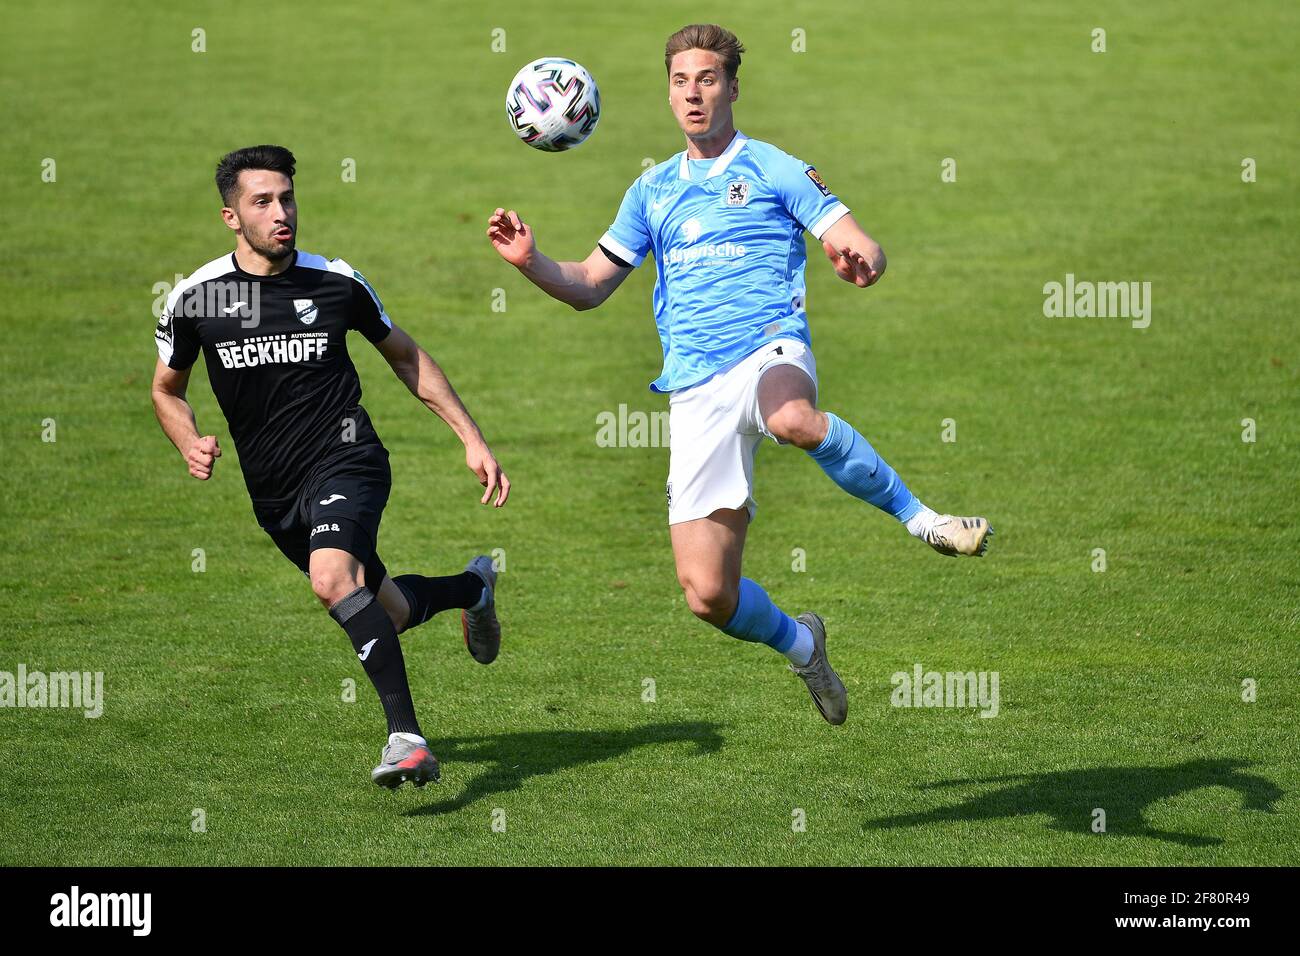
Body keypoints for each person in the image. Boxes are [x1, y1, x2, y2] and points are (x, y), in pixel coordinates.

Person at [486, 26, 991, 726]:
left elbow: (852, 237)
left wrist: (860, 259)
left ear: (732, 88)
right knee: (707, 595)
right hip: (695, 389)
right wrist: (530, 262)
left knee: (792, 419)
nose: (694, 93)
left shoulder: (776, 167)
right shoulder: (652, 191)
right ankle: (802, 642)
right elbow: (589, 285)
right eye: (680, 81)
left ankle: (923, 520)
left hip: (769, 352)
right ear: (668, 92)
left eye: (708, 79)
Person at [152, 145, 510, 787]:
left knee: (331, 580)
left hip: (348, 458)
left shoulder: (336, 281)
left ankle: (406, 737)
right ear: (231, 216)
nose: (281, 212)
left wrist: (471, 436)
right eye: (262, 202)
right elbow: (166, 388)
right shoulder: (194, 299)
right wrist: (187, 439)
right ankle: (472, 589)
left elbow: (405, 356)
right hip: (274, 493)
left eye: (287, 197)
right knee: (387, 610)